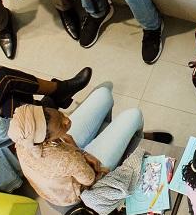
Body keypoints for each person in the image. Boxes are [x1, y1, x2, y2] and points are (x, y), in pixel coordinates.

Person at [9, 86, 169, 207]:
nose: (67, 121)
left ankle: (118, 132)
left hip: (64, 153)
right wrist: (79, 153)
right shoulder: (65, 159)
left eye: (62, 115)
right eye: (62, 125)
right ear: (46, 138)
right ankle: (138, 139)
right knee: (134, 115)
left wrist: (63, 136)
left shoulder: (24, 134)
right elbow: (89, 178)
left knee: (103, 93)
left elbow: (62, 138)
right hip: (75, 185)